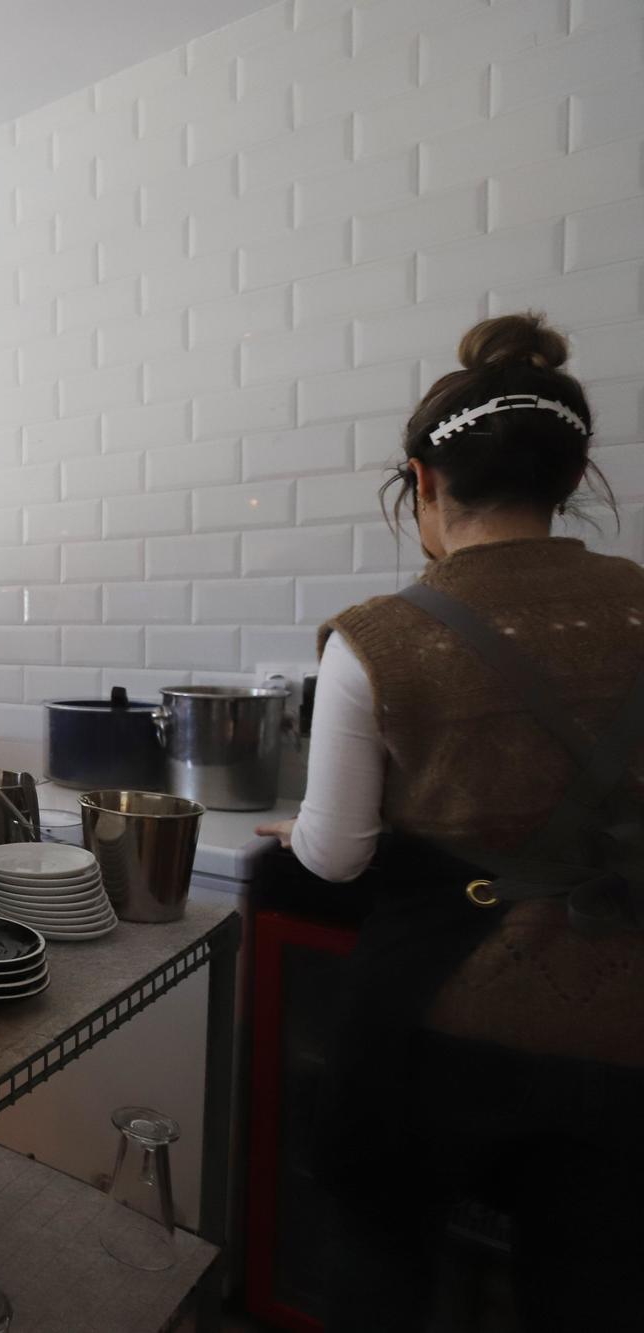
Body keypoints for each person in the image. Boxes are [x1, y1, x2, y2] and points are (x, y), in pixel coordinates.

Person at [257, 313, 644, 1330]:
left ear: (422, 483)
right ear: (566, 479)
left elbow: (334, 858)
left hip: (427, 1024)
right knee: (587, 1289)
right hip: (616, 1017)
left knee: (379, 1270)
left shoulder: (377, 638)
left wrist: (296, 840)